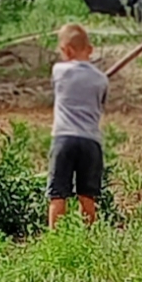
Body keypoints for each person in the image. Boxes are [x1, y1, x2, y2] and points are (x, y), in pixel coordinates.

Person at [48, 22, 107, 228]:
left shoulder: (59, 71)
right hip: (91, 141)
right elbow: (101, 103)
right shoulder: (101, 79)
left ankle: (55, 240)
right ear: (90, 49)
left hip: (64, 138)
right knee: (87, 196)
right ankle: (88, 238)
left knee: (58, 194)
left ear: (66, 50)